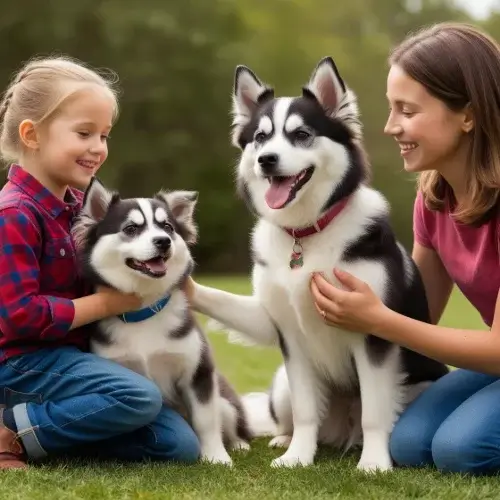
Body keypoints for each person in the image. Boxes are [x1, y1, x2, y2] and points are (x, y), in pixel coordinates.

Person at [310, 22, 500, 476]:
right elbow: (417, 316)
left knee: (461, 450)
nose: (390, 126)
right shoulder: (434, 198)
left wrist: (377, 319)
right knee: (409, 442)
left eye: (407, 111)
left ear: (468, 115)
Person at [0, 56, 200, 469]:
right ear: (32, 135)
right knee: (137, 397)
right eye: (84, 133)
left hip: (77, 362)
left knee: (178, 445)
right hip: (22, 366)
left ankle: (48, 434)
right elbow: (19, 315)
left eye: (105, 135)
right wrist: (110, 305)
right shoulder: (14, 214)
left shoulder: (80, 206)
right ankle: (14, 430)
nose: (98, 148)